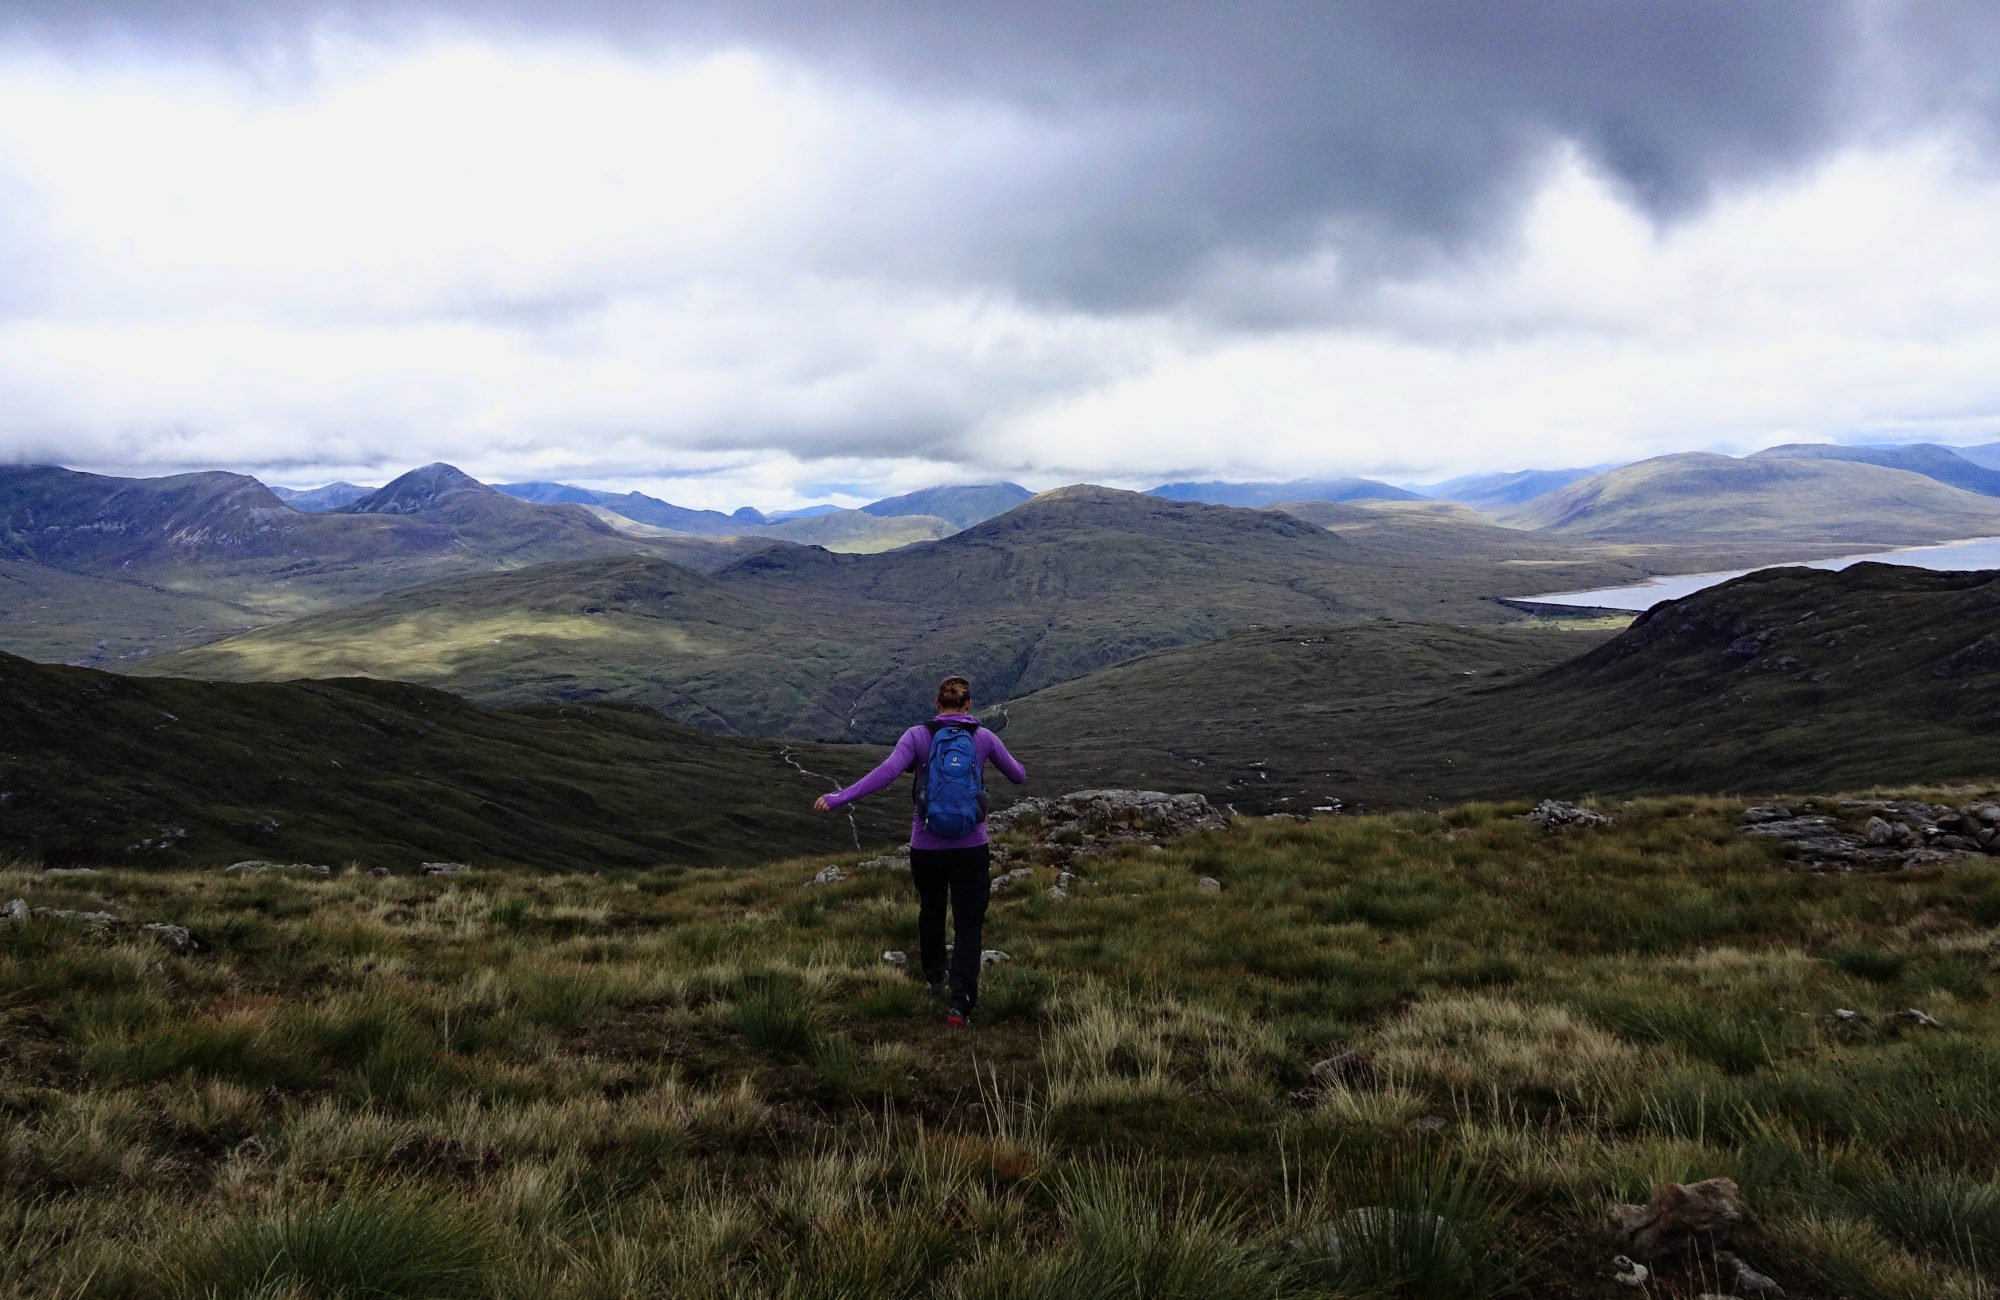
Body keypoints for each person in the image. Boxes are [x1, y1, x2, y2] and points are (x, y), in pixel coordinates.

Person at [814, 675, 1027, 1027]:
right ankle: (961, 1004)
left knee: (931, 908)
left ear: (936, 703)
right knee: (969, 922)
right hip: (971, 846)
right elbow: (1018, 776)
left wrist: (839, 798)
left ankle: (935, 976)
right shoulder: (984, 738)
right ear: (968, 705)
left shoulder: (917, 735)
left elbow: (885, 773)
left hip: (925, 845)